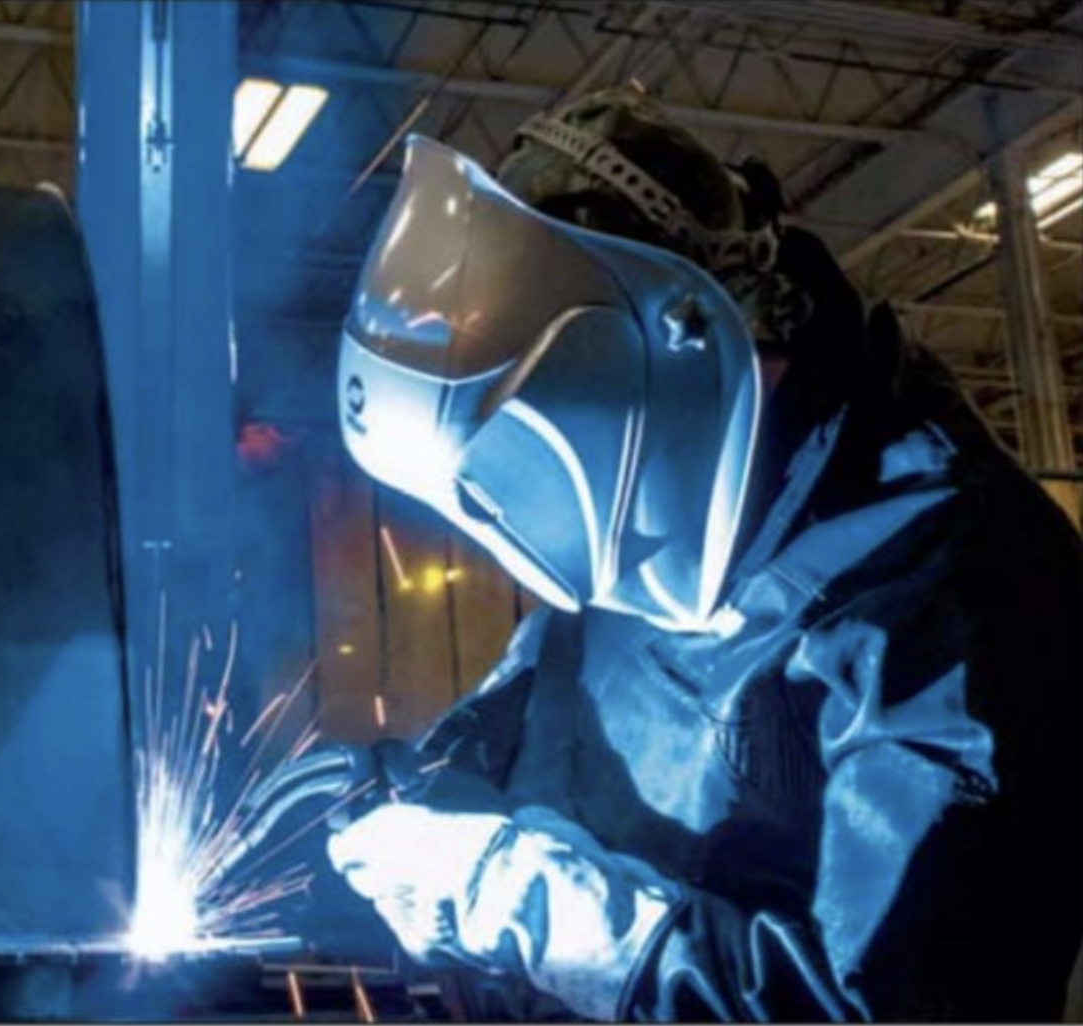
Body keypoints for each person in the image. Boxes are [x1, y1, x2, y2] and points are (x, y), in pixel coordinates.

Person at [323, 88, 1083, 1021]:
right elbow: (541, 696)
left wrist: (533, 903)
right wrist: (420, 786)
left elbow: (907, 1005)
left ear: (675, 354)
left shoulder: (966, 585)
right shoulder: (652, 508)